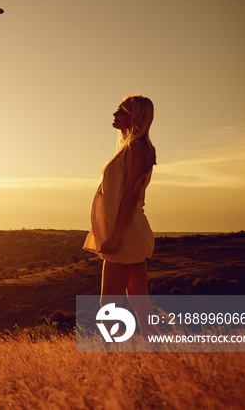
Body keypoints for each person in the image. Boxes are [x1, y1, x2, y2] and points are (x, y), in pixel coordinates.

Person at [83, 95, 157, 338]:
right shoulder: (134, 147)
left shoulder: (136, 148)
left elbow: (131, 196)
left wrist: (115, 235)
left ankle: (110, 358)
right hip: (131, 231)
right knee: (139, 301)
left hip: (126, 232)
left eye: (121, 111)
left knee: (110, 304)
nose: (115, 115)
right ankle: (157, 353)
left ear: (134, 117)